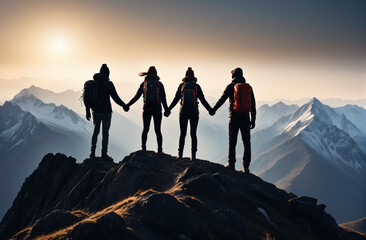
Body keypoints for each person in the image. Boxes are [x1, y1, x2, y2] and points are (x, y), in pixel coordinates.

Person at [210, 67, 256, 173]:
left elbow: (222, 99)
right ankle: (246, 167)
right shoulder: (248, 87)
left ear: (233, 76)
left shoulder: (231, 86)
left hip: (233, 117)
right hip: (245, 117)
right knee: (246, 142)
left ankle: (231, 164)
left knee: (232, 141)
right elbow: (252, 104)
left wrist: (213, 110)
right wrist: (253, 119)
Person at [165, 67, 212, 160]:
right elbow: (202, 100)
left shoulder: (182, 85)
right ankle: (193, 155)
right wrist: (210, 110)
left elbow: (176, 99)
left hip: (183, 112)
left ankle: (180, 154)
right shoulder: (197, 86)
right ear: (193, 76)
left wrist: (168, 109)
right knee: (193, 134)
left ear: (185, 76)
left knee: (182, 133)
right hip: (194, 112)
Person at [86, 64, 129, 160]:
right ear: (108, 73)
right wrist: (124, 106)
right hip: (106, 111)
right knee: (105, 133)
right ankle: (104, 154)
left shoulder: (93, 83)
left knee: (96, 131)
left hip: (95, 111)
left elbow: (88, 98)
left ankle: (92, 152)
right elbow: (115, 98)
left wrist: (87, 111)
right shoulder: (109, 84)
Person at [127, 66, 169, 154]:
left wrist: (128, 105)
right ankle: (160, 150)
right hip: (157, 109)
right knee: (158, 130)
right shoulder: (159, 84)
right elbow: (163, 98)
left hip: (146, 109)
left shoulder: (144, 84)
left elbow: (137, 96)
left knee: (145, 129)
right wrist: (166, 110)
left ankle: (143, 149)